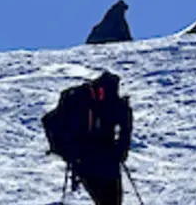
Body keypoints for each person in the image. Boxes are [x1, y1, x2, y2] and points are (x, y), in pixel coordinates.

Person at [42, 72, 133, 205]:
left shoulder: (111, 102)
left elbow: (126, 129)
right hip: (90, 157)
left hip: (96, 158)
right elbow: (50, 122)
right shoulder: (78, 99)